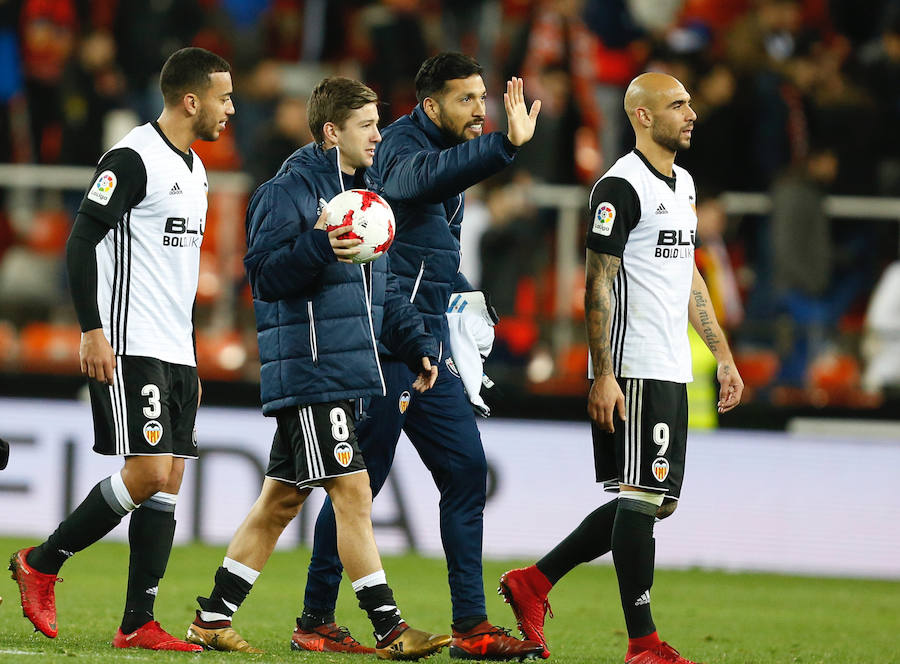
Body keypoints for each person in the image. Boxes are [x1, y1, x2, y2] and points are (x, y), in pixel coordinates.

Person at [183, 77, 451, 659]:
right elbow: (264, 277)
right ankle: (389, 627)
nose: (380, 135)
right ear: (332, 133)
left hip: (347, 369)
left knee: (280, 500)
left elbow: (382, 294)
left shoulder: (368, 194)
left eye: (379, 124)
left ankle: (210, 618)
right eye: (368, 126)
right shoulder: (288, 192)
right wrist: (322, 242)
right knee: (352, 491)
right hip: (309, 370)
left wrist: (415, 344)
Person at [296, 52, 545, 660]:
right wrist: (503, 149)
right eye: (467, 100)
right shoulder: (400, 147)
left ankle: (473, 627)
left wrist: (463, 303)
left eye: (483, 99)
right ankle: (316, 619)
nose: (480, 111)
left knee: (466, 473)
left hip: (429, 344)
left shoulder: (440, 159)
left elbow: (428, 255)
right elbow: (415, 181)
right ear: (430, 105)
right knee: (362, 482)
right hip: (384, 341)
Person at [498, 73, 744, 664]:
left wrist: (724, 356)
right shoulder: (619, 186)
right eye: (677, 105)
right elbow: (598, 283)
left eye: (689, 102)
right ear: (640, 115)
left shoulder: (683, 184)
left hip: (671, 364)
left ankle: (534, 581)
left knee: (654, 500)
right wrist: (604, 373)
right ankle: (643, 644)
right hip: (632, 365)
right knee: (640, 499)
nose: (691, 113)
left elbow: (689, 279)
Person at [8, 47, 234, 651]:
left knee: (170, 478)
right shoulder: (134, 158)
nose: (230, 109)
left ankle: (138, 623)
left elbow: (175, 274)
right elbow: (81, 241)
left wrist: (188, 357)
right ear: (192, 100)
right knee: (147, 472)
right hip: (129, 341)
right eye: (223, 97)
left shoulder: (196, 168)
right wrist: (91, 329)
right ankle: (42, 561)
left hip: (174, 350)